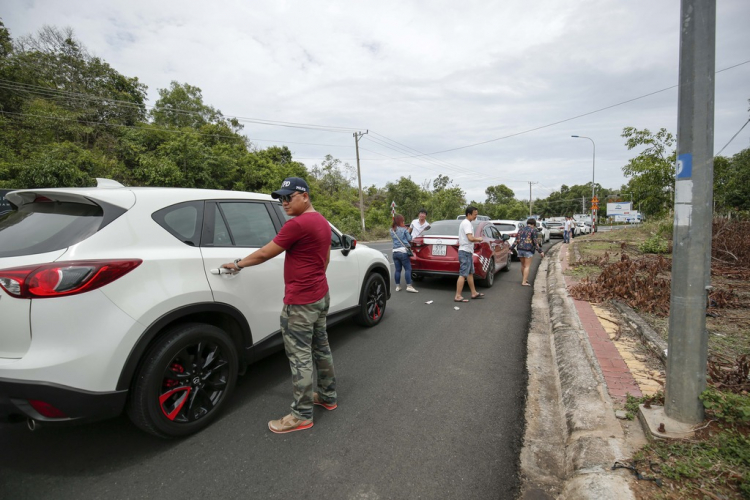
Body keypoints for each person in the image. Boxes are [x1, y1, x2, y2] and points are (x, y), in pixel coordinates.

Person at [221, 177, 337, 434]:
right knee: (321, 347)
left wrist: (238, 264)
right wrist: (315, 279)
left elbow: (265, 253)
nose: (283, 203)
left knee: (300, 357)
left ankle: (302, 414)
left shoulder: (298, 224)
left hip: (301, 301)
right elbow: (325, 258)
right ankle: (328, 396)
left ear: (304, 196)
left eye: (289, 197)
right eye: (281, 198)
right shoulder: (321, 221)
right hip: (320, 295)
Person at [454, 206, 485, 302]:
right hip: (465, 251)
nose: (476, 216)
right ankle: (458, 296)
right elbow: (470, 238)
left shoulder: (467, 223)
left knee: (470, 273)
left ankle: (474, 293)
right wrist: (478, 239)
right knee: (463, 274)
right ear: (469, 214)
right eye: (475, 214)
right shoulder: (467, 223)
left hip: (467, 251)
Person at [511, 218, 545, 286]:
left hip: (520, 249)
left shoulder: (520, 230)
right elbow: (535, 242)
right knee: (527, 266)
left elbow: (516, 240)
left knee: (523, 265)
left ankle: (524, 278)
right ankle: (524, 282)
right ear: (534, 224)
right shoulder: (533, 230)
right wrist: (540, 251)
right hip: (528, 250)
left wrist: (511, 248)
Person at [390, 214, 418, 293]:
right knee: (408, 269)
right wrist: (408, 230)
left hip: (395, 252)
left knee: (397, 270)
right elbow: (409, 238)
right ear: (400, 221)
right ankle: (409, 285)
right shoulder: (404, 229)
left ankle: (397, 286)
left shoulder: (391, 230)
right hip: (403, 251)